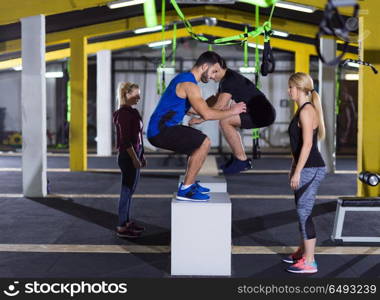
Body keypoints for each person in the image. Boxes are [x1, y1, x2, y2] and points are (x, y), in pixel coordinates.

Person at [147, 51, 247, 201]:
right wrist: (233, 110)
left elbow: (196, 109)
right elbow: (206, 113)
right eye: (213, 71)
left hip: (161, 128)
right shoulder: (189, 84)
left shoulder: (184, 79)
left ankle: (190, 183)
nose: (213, 76)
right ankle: (186, 190)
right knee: (204, 142)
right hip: (161, 130)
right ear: (204, 66)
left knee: (196, 145)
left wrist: (221, 106)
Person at [189, 59, 276, 174]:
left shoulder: (229, 81)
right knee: (226, 119)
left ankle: (241, 160)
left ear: (217, 67)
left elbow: (219, 106)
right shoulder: (227, 79)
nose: (210, 78)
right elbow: (215, 99)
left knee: (225, 121)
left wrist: (201, 118)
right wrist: (196, 108)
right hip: (258, 112)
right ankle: (238, 158)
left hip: (263, 114)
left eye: (210, 74)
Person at [283, 72, 326, 274]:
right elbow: (298, 145)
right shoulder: (303, 109)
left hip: (311, 168)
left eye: (290, 87)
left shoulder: (306, 111)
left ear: (299, 88)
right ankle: (302, 252)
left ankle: (310, 261)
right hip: (305, 167)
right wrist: (293, 167)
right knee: (302, 210)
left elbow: (308, 144)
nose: (288, 90)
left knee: (304, 212)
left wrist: (298, 172)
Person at [113, 82, 146, 238]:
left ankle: (126, 222)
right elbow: (126, 141)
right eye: (136, 94)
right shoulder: (123, 114)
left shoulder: (132, 112)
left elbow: (138, 136)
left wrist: (142, 154)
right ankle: (121, 226)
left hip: (135, 153)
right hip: (128, 155)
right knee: (126, 191)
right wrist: (134, 158)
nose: (139, 97)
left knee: (130, 191)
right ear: (126, 94)